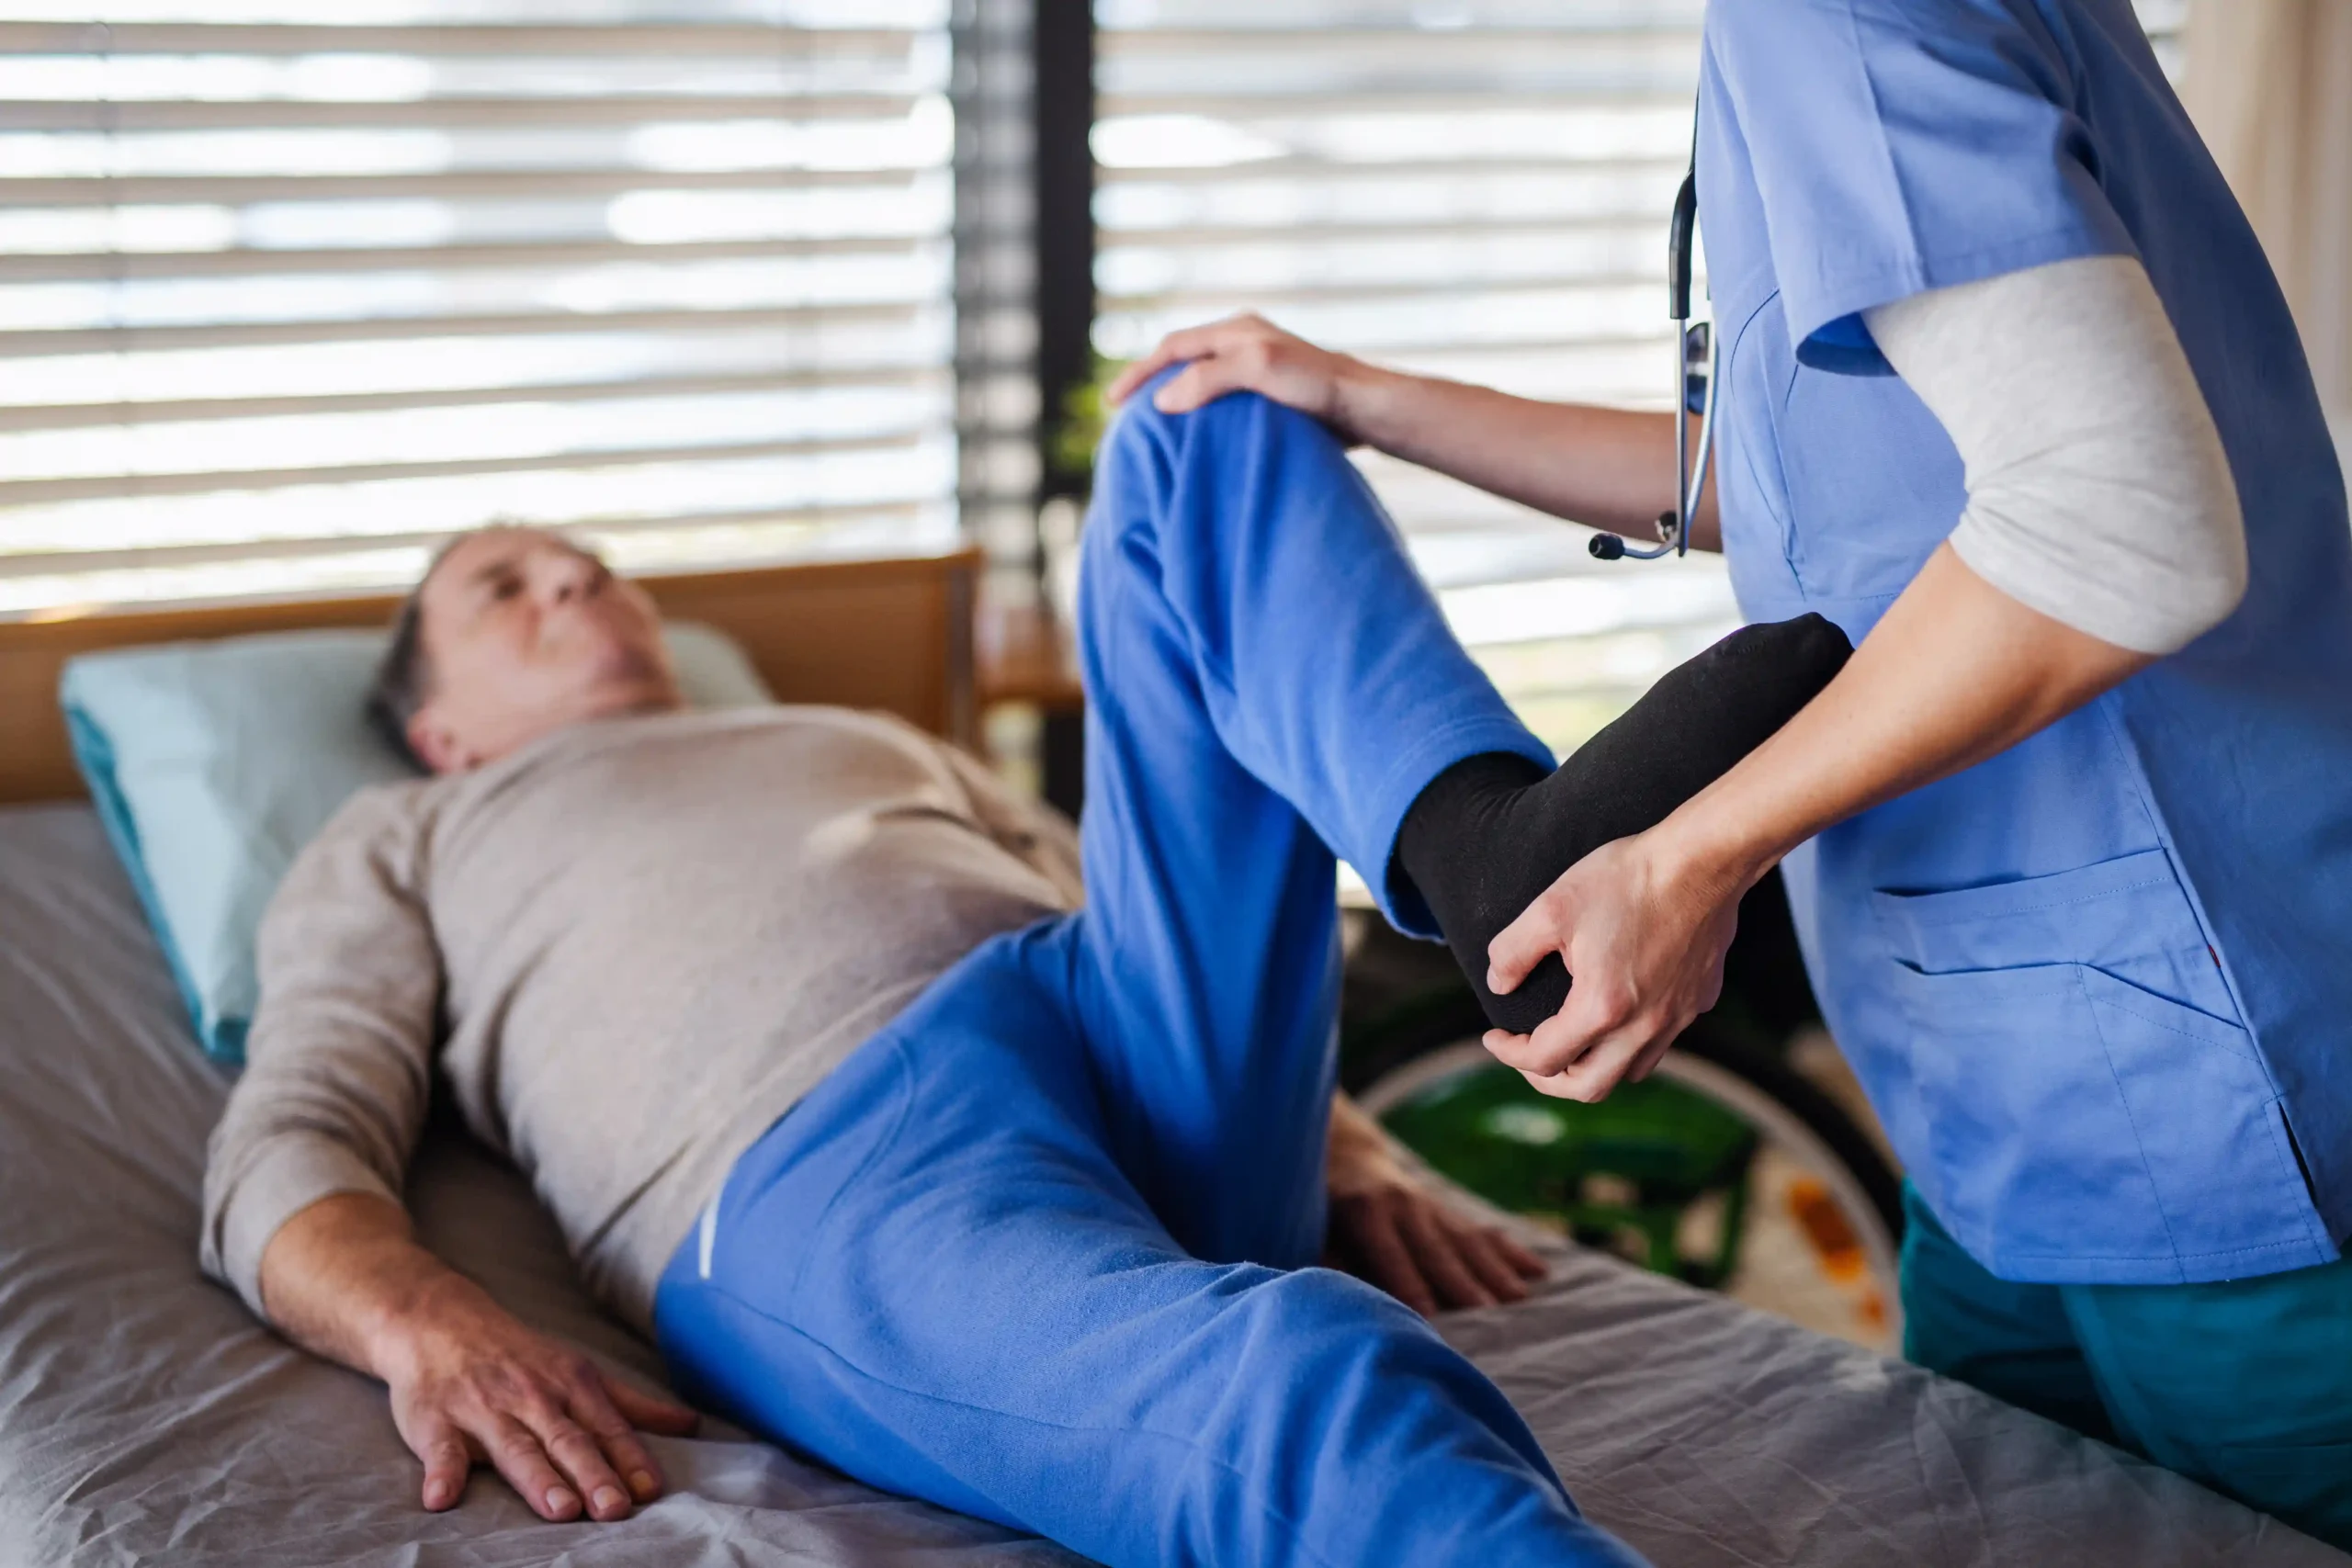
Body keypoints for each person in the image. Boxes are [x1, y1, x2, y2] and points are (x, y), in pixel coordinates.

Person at [203, 379, 1851, 1563]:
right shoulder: (407, 834)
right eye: (505, 588)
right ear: (439, 725)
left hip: (1108, 1009)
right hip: (831, 1155)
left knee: (1195, 423)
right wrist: (426, 1324)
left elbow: (1134, 867)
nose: (572, 578)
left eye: (589, 559)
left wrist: (1333, 1132)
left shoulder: (842, 731)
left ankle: (1477, 849)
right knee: (1306, 1374)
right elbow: (291, 1137)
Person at [1112, 0, 2352, 1545]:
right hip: (1996, 1093)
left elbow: (2118, 524)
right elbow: (1809, 492)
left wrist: (1687, 857)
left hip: (2203, 1079)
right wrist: (1368, 397)